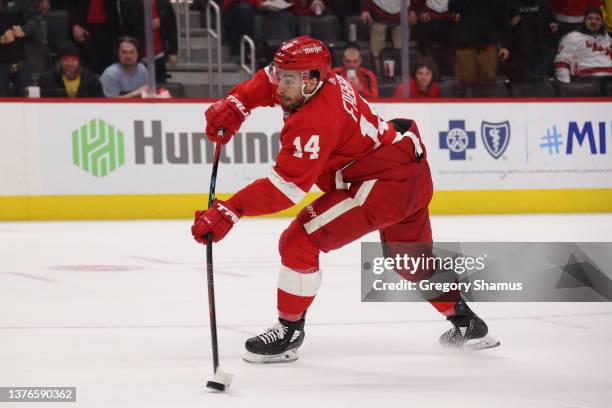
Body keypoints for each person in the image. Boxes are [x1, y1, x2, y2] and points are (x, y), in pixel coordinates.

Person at [191, 36, 499, 363]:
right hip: (409, 172)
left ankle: (288, 332)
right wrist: (238, 103)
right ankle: (466, 322)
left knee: (298, 241)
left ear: (312, 81)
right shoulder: (316, 79)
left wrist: (231, 210)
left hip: (379, 188)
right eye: (281, 75)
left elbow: (286, 188)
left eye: (289, 80)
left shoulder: (316, 120)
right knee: (410, 263)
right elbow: (266, 81)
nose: (280, 86)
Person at [448, 0, 513, 85]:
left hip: (488, 48)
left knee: (488, 86)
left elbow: (504, 20)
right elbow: (452, 6)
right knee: (466, 85)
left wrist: (505, 46)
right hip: (465, 48)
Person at [122, 0, 177, 84]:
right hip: (139, 57)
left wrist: (173, 52)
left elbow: (172, 29)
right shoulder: (132, 4)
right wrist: (146, 26)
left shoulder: (164, 3)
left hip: (159, 55)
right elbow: (127, 29)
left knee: (159, 86)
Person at [554, 7, 612, 83]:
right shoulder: (573, 37)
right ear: (584, 20)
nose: (593, 21)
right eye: (590, 18)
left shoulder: (606, 38)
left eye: (597, 19)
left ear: (601, 23)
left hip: (609, 78)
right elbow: (561, 61)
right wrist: (565, 84)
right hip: (587, 80)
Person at [67, 0, 121, 74]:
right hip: (84, 26)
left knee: (107, 65)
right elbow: (72, 4)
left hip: (108, 26)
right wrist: (75, 24)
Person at [38, 40, 103, 97]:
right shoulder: (47, 81)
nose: (69, 63)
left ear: (79, 62)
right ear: (59, 63)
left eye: (73, 59)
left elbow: (101, 104)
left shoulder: (91, 80)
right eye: (65, 60)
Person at [0, 0, 35, 96]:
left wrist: (25, 30)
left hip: (21, 60)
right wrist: (1, 40)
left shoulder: (19, 3)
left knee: (30, 100)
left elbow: (34, 18)